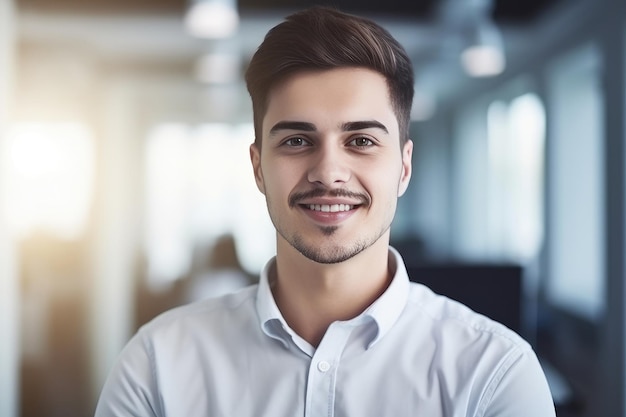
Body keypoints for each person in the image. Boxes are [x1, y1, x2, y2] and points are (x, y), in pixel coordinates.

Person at [95, 7, 556, 416]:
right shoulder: (157, 367)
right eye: (296, 141)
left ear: (404, 167)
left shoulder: (493, 376)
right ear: (258, 168)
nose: (329, 172)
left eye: (361, 141)